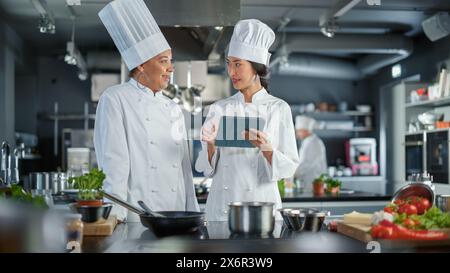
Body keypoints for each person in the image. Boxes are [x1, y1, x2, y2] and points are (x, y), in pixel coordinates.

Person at [95, 0, 199, 222]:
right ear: (141, 65)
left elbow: (183, 170)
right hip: (138, 218)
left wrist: (192, 213)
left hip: (175, 217)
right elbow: (114, 166)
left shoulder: (173, 107)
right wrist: (115, 219)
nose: (171, 68)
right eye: (163, 61)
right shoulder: (115, 99)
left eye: (171, 61)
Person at [195, 19, 299, 221]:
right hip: (222, 210)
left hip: (261, 207)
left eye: (238, 65)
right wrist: (210, 145)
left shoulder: (278, 108)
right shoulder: (219, 108)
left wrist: (267, 148)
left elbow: (289, 167)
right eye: (229, 64)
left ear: (257, 68)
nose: (231, 72)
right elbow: (205, 169)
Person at [294, 115, 327, 190]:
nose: (297, 134)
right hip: (309, 183)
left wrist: (295, 173)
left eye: (298, 131)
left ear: (306, 130)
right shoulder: (308, 141)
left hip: (314, 182)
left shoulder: (313, 143)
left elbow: (307, 164)